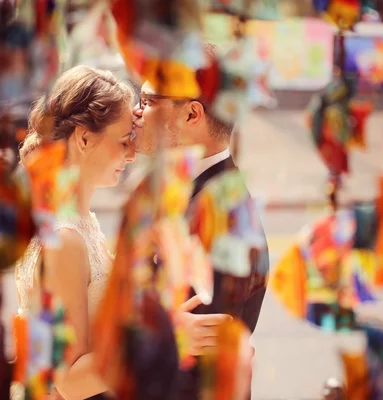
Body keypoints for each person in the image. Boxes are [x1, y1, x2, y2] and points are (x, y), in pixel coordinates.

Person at [132, 43, 270, 399]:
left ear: (192, 114)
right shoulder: (192, 192)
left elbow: (192, 359)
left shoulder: (217, 216)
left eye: (148, 101)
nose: (136, 112)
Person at [15, 65, 137, 399]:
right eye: (125, 140)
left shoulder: (78, 221)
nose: (131, 154)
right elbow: (68, 380)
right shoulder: (65, 237)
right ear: (84, 138)